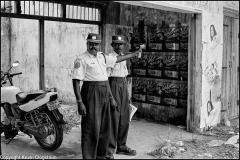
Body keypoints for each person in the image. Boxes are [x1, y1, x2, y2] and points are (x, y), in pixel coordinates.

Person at [72, 33, 141, 159]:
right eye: (91, 44)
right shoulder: (81, 59)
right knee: (91, 126)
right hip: (91, 92)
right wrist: (79, 102)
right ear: (87, 44)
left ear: (99, 44)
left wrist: (111, 98)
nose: (94, 46)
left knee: (105, 126)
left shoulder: (102, 57)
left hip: (105, 91)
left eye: (96, 44)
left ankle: (101, 155)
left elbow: (113, 66)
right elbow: (76, 81)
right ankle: (88, 156)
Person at [106, 35, 141, 159]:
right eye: (116, 44)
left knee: (124, 118)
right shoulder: (109, 56)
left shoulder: (124, 58)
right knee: (114, 119)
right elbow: (107, 79)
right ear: (112, 45)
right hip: (113, 85)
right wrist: (111, 97)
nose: (119, 46)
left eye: (121, 44)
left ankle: (122, 146)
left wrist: (128, 94)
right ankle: (109, 150)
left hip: (123, 85)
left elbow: (125, 76)